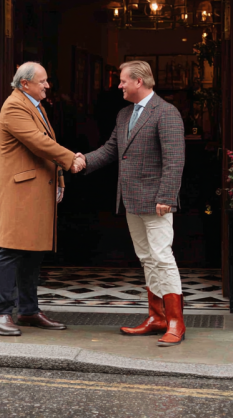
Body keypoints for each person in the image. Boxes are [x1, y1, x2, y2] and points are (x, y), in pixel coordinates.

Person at [76, 60, 186, 346]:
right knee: (147, 258)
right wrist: (82, 160)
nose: (119, 85)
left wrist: (166, 196)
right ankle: (157, 317)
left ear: (139, 81)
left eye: (123, 81)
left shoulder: (166, 112)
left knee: (163, 257)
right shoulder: (125, 114)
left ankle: (176, 322)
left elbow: (175, 161)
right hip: (131, 199)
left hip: (156, 201)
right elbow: (111, 150)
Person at [0, 61, 85, 336]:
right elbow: (38, 142)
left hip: (36, 190)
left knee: (32, 253)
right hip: (20, 192)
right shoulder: (14, 106)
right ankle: (1, 312)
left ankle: (28, 311)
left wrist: (59, 180)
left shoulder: (34, 105)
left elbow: (43, 148)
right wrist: (72, 160)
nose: (47, 85)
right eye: (42, 81)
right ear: (25, 83)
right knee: (10, 251)